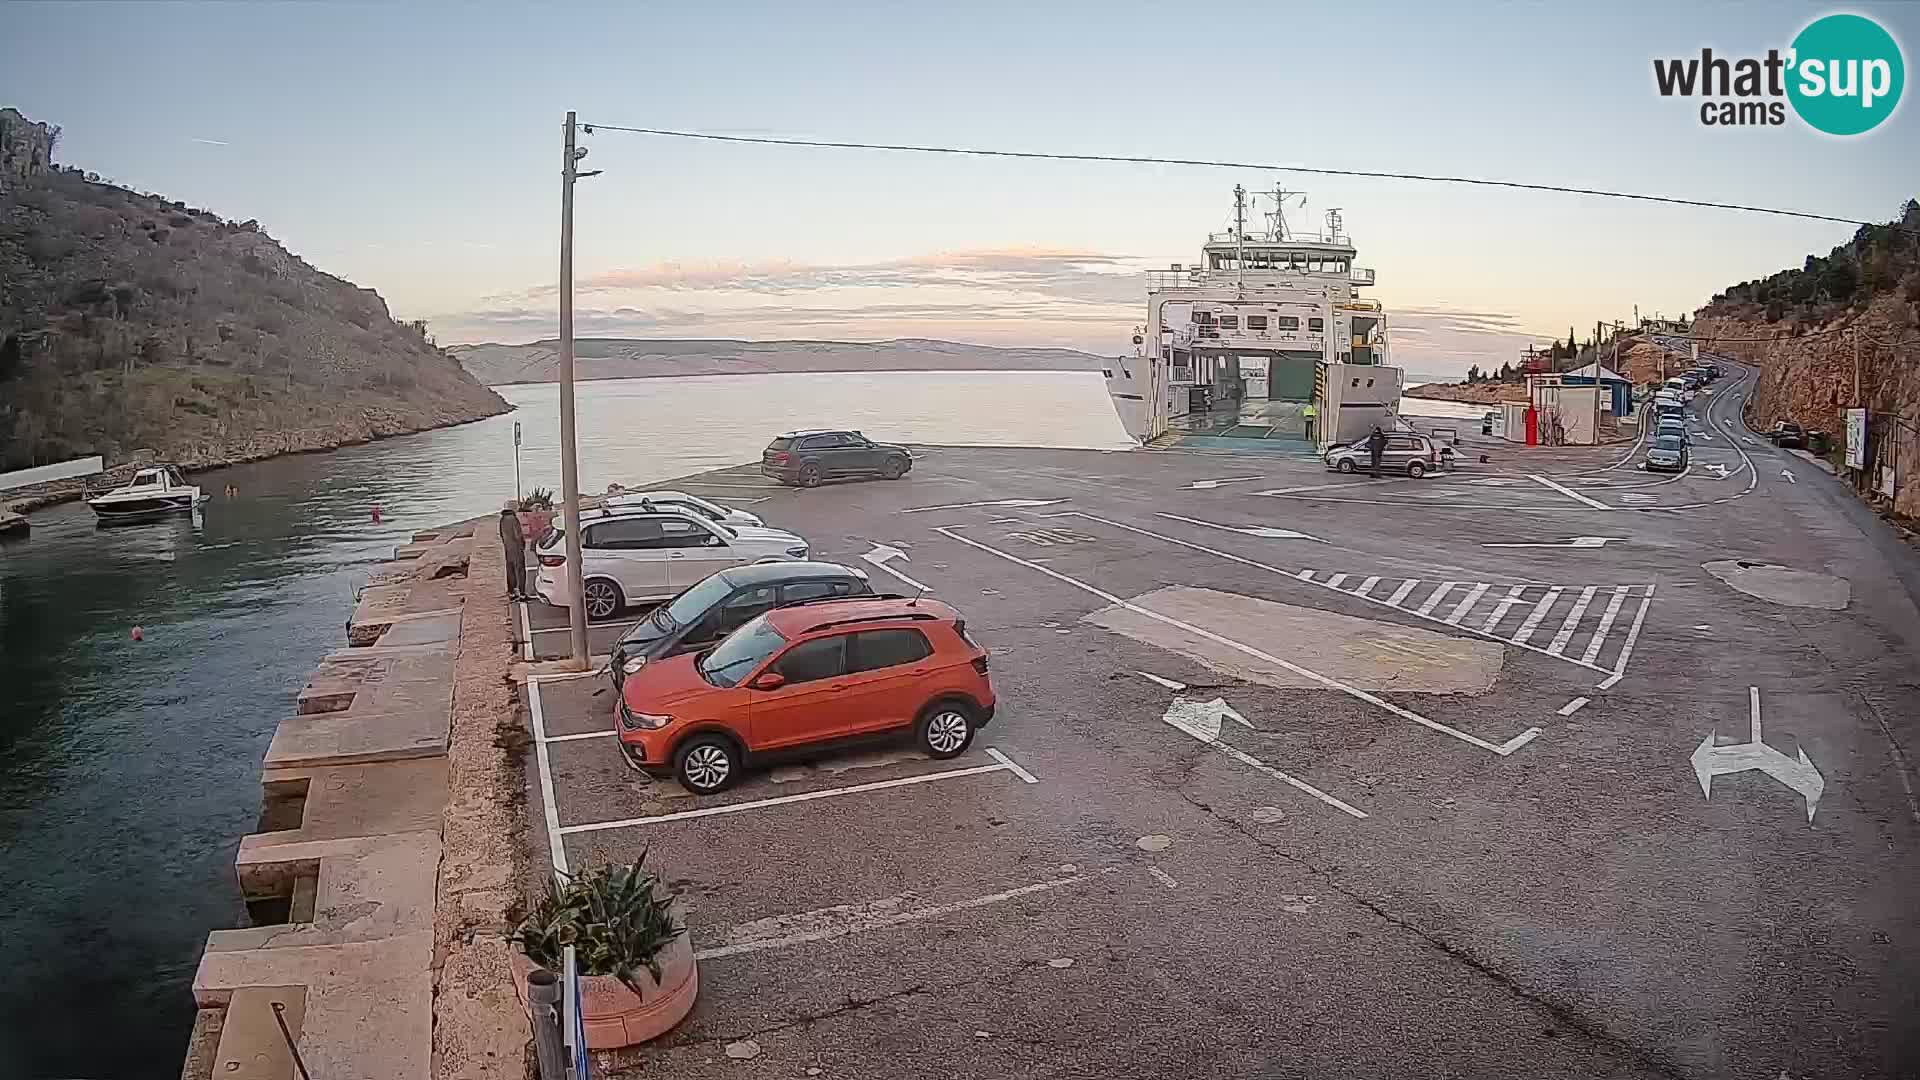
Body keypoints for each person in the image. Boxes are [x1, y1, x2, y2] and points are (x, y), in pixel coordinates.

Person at [499, 502, 528, 602]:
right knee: (520, 570)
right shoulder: (513, 519)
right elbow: (518, 535)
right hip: (516, 548)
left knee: (510, 570)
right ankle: (522, 594)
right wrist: (522, 544)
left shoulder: (502, 520)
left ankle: (512, 593)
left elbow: (502, 535)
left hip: (508, 548)